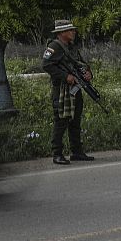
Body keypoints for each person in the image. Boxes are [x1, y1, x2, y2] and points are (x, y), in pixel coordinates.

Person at [42, 19, 95, 165]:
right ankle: (57, 154)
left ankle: (76, 152)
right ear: (61, 33)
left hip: (75, 89)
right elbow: (46, 65)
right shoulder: (54, 47)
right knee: (61, 121)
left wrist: (88, 73)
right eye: (70, 30)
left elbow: (81, 63)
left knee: (75, 120)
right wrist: (66, 76)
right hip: (62, 90)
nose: (73, 32)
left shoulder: (71, 47)